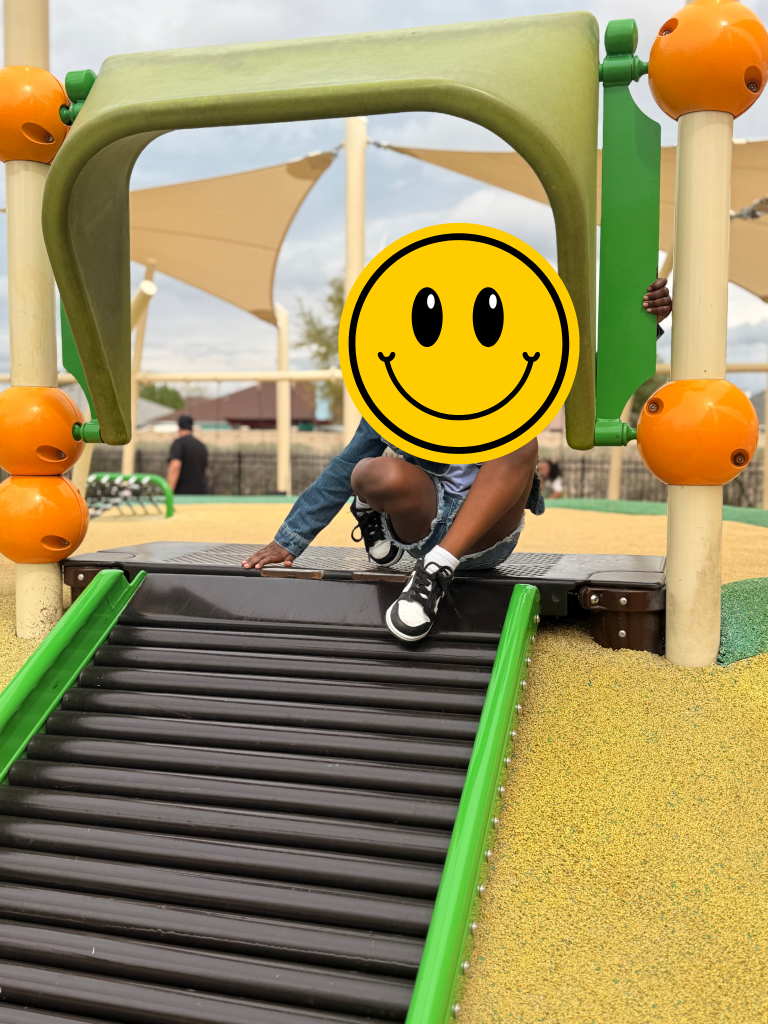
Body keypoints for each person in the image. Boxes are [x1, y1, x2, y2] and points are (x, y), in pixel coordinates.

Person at [243, 278, 672, 643]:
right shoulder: (402, 396)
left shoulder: (515, 382)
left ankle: (434, 572)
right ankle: (381, 516)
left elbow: (584, 382)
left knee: (521, 442)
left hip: (490, 533)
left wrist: (644, 328)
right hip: (424, 520)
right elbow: (345, 465)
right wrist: (291, 539)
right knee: (369, 470)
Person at [167, 414, 208, 494]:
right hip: (201, 493)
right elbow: (205, 471)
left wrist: (169, 493)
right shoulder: (201, 446)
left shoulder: (178, 443)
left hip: (182, 494)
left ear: (179, 427)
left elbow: (175, 466)